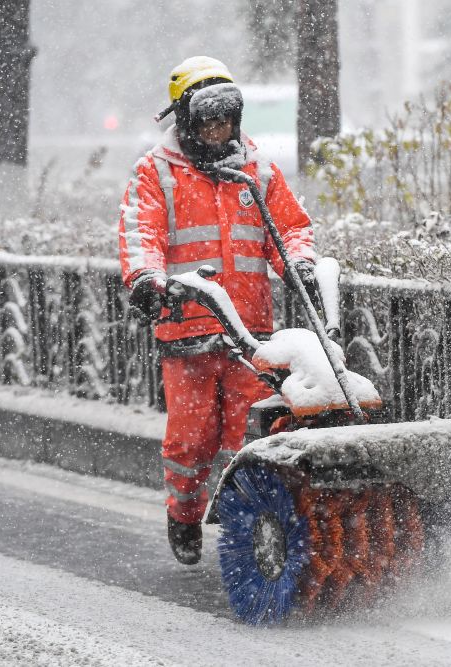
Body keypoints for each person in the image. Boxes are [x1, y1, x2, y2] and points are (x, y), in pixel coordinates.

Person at [118, 56, 319, 565]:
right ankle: (184, 513)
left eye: (226, 117)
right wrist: (146, 278)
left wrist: (300, 264)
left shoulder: (257, 171)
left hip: (249, 333)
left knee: (247, 434)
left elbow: (290, 228)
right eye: (207, 118)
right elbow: (142, 234)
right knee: (192, 438)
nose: (217, 127)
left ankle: (244, 526)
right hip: (186, 328)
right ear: (185, 119)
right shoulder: (156, 173)